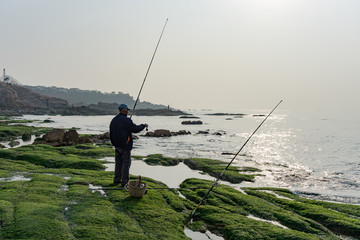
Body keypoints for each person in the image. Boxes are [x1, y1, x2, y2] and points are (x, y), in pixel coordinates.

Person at [109, 104, 148, 187]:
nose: (128, 111)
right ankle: (125, 182)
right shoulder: (126, 120)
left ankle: (117, 179)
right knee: (126, 163)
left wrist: (114, 143)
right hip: (125, 146)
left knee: (118, 163)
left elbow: (112, 132)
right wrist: (143, 125)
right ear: (124, 110)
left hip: (116, 145)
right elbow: (135, 129)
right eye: (127, 110)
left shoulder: (114, 120)